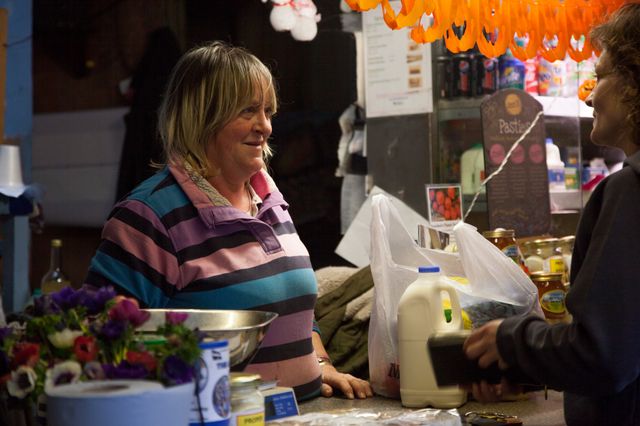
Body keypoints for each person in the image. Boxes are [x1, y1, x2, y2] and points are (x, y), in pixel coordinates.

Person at [84, 41, 373, 401]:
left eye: (268, 111)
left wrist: (321, 363)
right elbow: (96, 339)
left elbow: (294, 308)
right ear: (201, 116)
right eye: (248, 111)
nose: (264, 126)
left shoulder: (270, 199)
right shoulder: (148, 217)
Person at [463, 4, 640, 425]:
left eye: (600, 77)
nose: (590, 94)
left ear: (634, 81)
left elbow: (603, 355)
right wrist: (531, 368)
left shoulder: (630, 188)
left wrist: (511, 341)